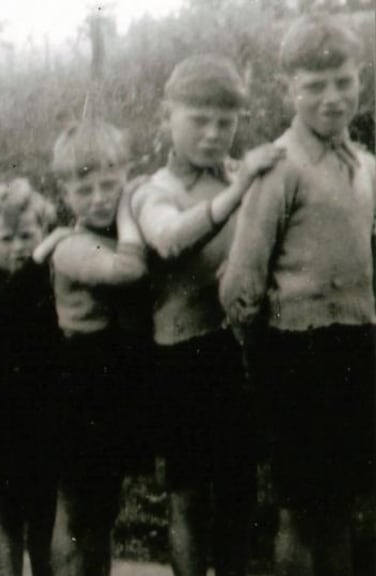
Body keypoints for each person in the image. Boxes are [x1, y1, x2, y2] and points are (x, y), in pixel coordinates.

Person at [219, 14, 375, 576]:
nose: (333, 99)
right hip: (296, 356)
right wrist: (266, 359)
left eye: (344, 82)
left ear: (361, 78)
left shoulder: (365, 167)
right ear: (288, 89)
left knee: (339, 506)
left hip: (356, 348)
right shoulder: (279, 168)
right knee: (302, 510)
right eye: (314, 86)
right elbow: (241, 283)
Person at [130, 55, 285, 576]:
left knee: (239, 494)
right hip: (182, 359)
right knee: (189, 496)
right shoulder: (153, 190)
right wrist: (240, 193)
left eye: (226, 121)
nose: (214, 133)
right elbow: (170, 240)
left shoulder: (243, 174)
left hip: (238, 353)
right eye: (199, 120)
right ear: (166, 117)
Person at [43, 119, 147, 576]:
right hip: (82, 374)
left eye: (111, 185)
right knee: (76, 508)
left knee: (104, 508)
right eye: (85, 190)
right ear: (66, 194)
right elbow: (128, 271)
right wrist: (128, 212)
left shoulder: (114, 235)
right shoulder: (70, 246)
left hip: (116, 373)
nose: (100, 198)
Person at [0, 177, 61, 576]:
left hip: (47, 413)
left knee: (44, 514)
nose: (20, 248)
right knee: (5, 511)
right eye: (6, 239)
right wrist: (44, 255)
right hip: (1, 416)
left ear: (43, 231)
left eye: (29, 236)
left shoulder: (55, 284)